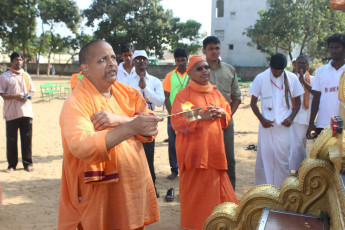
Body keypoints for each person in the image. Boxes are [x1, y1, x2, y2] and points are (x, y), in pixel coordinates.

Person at [58, 40, 162, 229]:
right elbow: (82, 144)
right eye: (102, 60)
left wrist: (120, 121)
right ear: (85, 69)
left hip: (132, 191)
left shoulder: (129, 93)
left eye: (113, 57)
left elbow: (151, 124)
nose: (112, 63)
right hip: (99, 195)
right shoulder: (76, 101)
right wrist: (131, 127)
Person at [171, 56, 238, 229]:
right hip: (194, 156)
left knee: (218, 192)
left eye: (206, 67)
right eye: (199, 68)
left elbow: (227, 113)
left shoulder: (216, 93)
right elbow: (179, 121)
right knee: (196, 196)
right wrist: (201, 115)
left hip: (215, 153)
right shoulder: (184, 96)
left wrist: (222, 112)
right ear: (190, 73)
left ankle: (218, 224)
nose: (204, 71)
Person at [249, 53, 304, 187]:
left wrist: (291, 118)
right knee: (266, 158)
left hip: (284, 126)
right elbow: (253, 103)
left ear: (285, 68)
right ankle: (266, 190)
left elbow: (298, 102)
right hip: (267, 125)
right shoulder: (261, 78)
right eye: (275, 70)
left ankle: (281, 190)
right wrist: (262, 120)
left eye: (281, 70)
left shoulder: (291, 78)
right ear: (270, 66)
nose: (278, 73)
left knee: (283, 159)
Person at [202, 36, 242, 190]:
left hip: (226, 124)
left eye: (217, 48)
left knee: (229, 159)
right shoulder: (199, 70)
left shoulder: (230, 69)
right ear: (204, 50)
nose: (214, 51)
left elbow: (237, 97)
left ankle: (229, 191)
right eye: (210, 48)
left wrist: (227, 116)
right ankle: (209, 192)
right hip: (205, 124)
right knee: (207, 159)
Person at [126, 50, 165, 197]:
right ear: (133, 62)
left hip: (149, 124)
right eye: (138, 59)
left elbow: (160, 101)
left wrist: (145, 88)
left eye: (144, 59)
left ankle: (151, 186)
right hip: (131, 123)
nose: (141, 62)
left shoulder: (154, 81)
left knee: (149, 155)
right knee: (132, 156)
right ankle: (135, 188)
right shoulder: (127, 82)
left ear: (148, 62)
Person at [0, 51, 35, 173]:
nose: (19, 62)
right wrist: (15, 96)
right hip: (11, 113)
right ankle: (12, 165)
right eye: (16, 60)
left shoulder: (26, 75)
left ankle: (28, 163)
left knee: (27, 139)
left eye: (20, 60)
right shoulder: (4, 76)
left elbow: (32, 92)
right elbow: (3, 94)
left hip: (26, 112)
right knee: (11, 140)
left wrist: (27, 95)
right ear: (11, 62)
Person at [306, 33, 345, 139]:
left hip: (344, 126)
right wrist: (311, 123)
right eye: (331, 47)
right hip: (323, 124)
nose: (334, 50)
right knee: (323, 155)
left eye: (337, 47)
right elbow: (316, 98)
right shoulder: (321, 71)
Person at [162, 48, 189, 180]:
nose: (180, 63)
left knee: (190, 142)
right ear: (175, 60)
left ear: (187, 59)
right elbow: (166, 97)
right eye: (178, 60)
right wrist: (172, 113)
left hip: (190, 114)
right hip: (173, 115)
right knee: (173, 143)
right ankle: (174, 169)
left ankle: (188, 169)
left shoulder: (193, 74)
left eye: (183, 60)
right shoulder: (169, 76)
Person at [289, 55, 314, 172]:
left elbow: (316, 94)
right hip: (292, 116)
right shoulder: (290, 78)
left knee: (300, 143)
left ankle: (301, 168)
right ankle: (295, 168)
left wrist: (303, 82)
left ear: (307, 65)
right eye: (299, 63)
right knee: (294, 144)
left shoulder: (312, 79)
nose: (301, 65)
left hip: (306, 116)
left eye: (304, 63)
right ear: (295, 65)